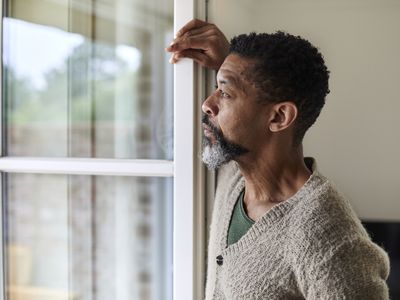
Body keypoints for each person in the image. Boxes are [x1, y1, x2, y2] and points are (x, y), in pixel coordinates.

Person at [166, 19, 390, 299]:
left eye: (224, 93)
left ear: (279, 117)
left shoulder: (329, 238)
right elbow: (251, 96)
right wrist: (225, 63)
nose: (207, 104)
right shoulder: (237, 169)